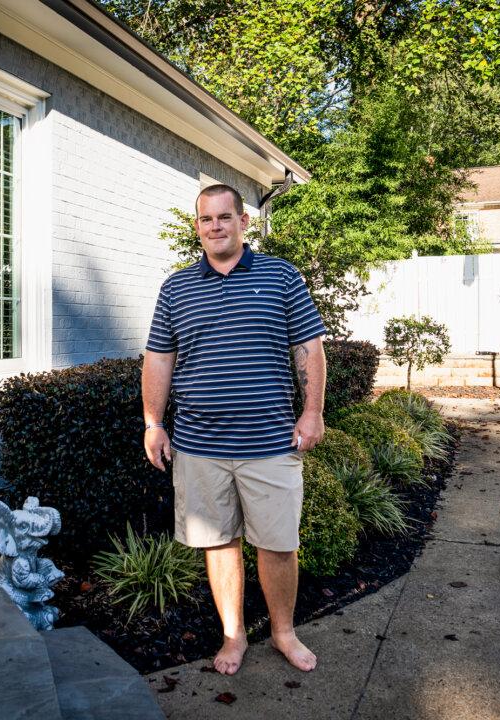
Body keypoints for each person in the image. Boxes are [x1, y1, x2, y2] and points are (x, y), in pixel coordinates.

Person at [142, 184, 327, 675]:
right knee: (219, 544)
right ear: (198, 226)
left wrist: (312, 413)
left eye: (225, 217)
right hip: (200, 446)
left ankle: (284, 632)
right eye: (206, 219)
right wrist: (153, 422)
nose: (215, 227)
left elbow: (308, 348)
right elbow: (160, 358)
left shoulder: (281, 276)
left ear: (244, 222)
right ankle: (233, 635)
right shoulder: (176, 287)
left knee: (278, 544)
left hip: (268, 443)